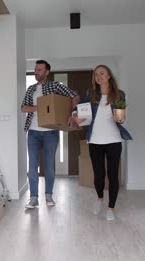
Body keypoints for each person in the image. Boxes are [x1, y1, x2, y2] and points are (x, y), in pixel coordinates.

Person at [72, 65, 133, 220]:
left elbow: (122, 116)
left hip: (113, 140)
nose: (99, 76)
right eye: (96, 74)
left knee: (113, 175)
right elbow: (78, 110)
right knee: (99, 175)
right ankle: (99, 199)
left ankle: (111, 208)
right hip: (95, 140)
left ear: (108, 76)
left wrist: (120, 118)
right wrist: (75, 116)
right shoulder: (91, 94)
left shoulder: (119, 94)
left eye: (102, 73)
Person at [21, 60, 80, 209]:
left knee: (49, 166)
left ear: (47, 72)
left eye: (40, 70)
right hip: (33, 132)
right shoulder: (31, 89)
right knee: (32, 167)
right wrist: (39, 107)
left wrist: (71, 113)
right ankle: (33, 198)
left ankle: (48, 196)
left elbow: (75, 96)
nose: (36, 72)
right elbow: (23, 108)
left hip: (50, 133)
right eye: (35, 69)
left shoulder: (54, 86)